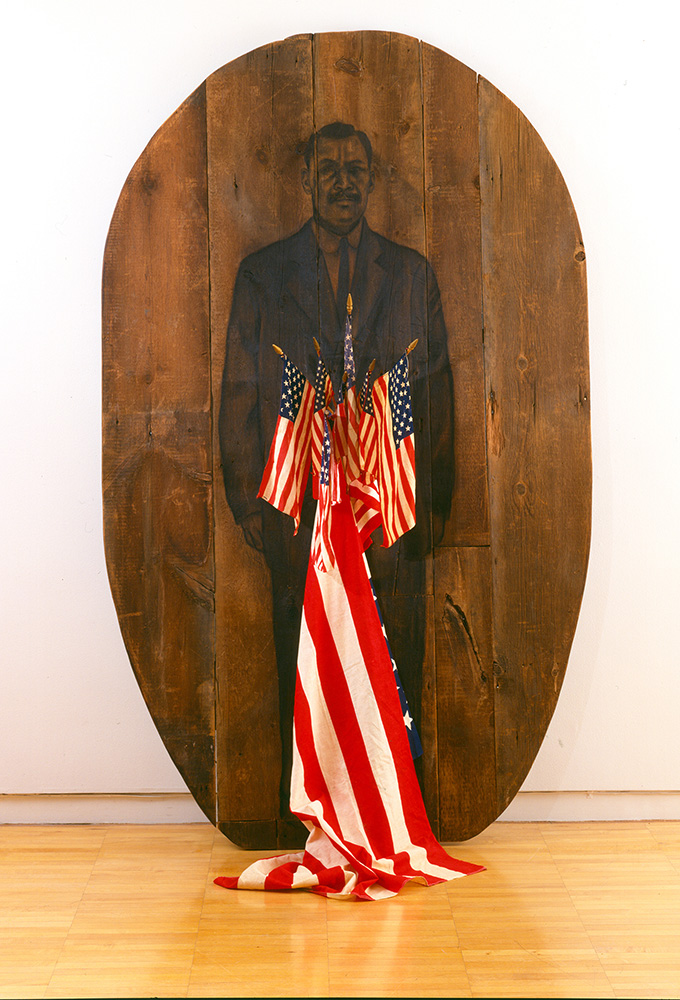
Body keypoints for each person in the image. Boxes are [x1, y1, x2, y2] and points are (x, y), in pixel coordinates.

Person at [219, 122, 453, 837]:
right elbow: (240, 389)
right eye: (329, 169)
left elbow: (436, 395)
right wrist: (250, 502)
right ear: (307, 181)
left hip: (390, 511)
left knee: (391, 655)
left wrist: (433, 507)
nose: (343, 182)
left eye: (356, 169)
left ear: (372, 181)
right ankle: (307, 822)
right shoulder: (263, 275)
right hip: (299, 511)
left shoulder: (410, 274)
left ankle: (395, 819)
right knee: (305, 661)